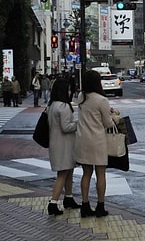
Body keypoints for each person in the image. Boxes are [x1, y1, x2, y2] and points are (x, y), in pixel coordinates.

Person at [75, 70, 120, 218]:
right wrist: (114, 116)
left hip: (82, 140)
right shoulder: (101, 100)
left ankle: (85, 205)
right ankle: (100, 206)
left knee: (86, 173)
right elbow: (107, 123)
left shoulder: (81, 97)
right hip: (97, 141)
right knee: (101, 174)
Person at [47, 77, 80, 215]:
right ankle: (53, 202)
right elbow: (66, 127)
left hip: (55, 143)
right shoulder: (64, 106)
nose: (70, 91)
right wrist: (79, 123)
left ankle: (69, 197)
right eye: (68, 89)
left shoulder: (51, 105)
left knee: (68, 171)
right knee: (63, 173)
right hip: (64, 144)